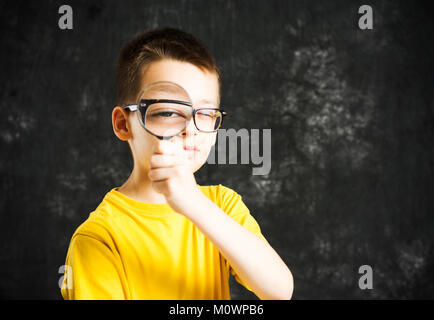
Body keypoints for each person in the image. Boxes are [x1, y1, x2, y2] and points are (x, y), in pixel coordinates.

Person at [60, 27, 293, 300]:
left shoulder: (221, 205)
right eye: (168, 111)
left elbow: (280, 291)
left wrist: (194, 204)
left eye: (205, 113)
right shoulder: (98, 239)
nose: (191, 129)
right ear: (124, 124)